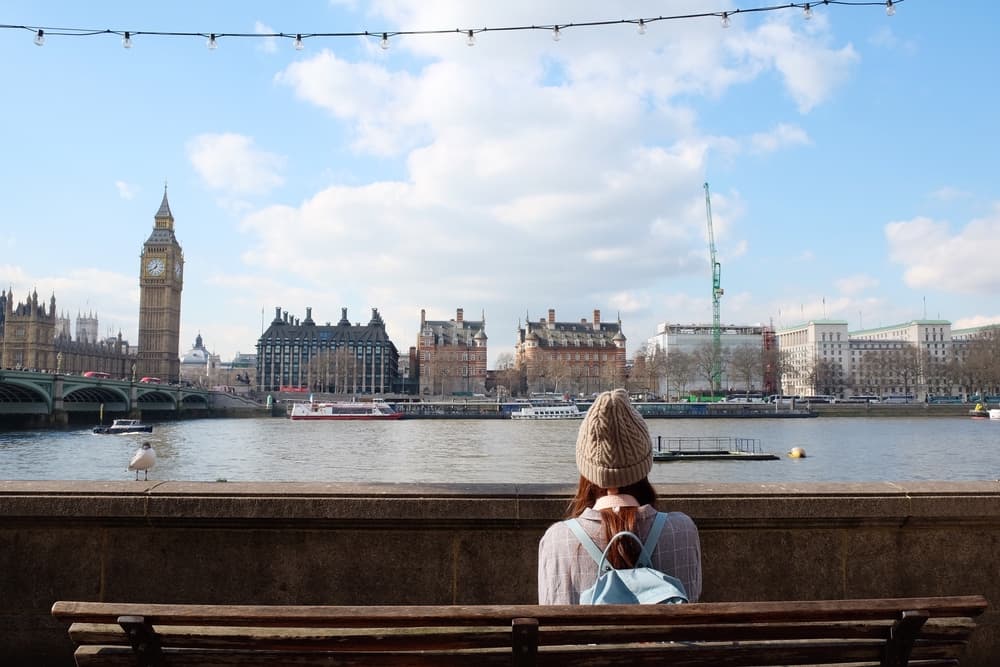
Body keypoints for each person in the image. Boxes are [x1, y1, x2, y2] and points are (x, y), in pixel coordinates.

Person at [538, 388, 702, 604]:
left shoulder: (558, 539)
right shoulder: (682, 530)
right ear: (644, 465)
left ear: (586, 471)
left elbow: (552, 624)